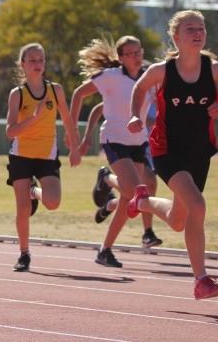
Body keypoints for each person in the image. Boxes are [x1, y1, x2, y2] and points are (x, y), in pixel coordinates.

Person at [128, 10, 218, 300]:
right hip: (167, 149)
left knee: (179, 220)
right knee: (197, 205)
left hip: (199, 152)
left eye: (201, 28)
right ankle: (201, 280)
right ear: (177, 37)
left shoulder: (214, 69)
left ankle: (142, 201)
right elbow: (139, 88)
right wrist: (134, 116)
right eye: (190, 28)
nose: (198, 32)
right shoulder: (161, 70)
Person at [70, 36, 162, 268]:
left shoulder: (150, 79)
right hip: (114, 139)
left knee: (126, 200)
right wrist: (74, 132)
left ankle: (105, 250)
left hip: (138, 142)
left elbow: (156, 111)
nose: (136, 56)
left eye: (138, 51)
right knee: (134, 190)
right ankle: (107, 178)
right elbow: (79, 94)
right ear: (120, 58)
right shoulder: (111, 77)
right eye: (130, 53)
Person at [5, 43, 81, 272]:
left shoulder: (55, 90)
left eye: (41, 60)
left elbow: (67, 118)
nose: (37, 64)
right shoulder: (17, 94)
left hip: (47, 155)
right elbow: (10, 131)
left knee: (53, 202)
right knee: (23, 208)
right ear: (23, 65)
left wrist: (74, 146)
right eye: (32, 60)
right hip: (21, 155)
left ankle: (33, 190)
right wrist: (34, 118)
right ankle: (24, 254)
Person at [82, 103, 163, 249]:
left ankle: (110, 204)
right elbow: (100, 107)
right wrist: (86, 135)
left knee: (132, 194)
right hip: (125, 144)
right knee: (145, 185)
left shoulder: (157, 91)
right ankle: (148, 232)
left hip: (148, 146)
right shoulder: (134, 87)